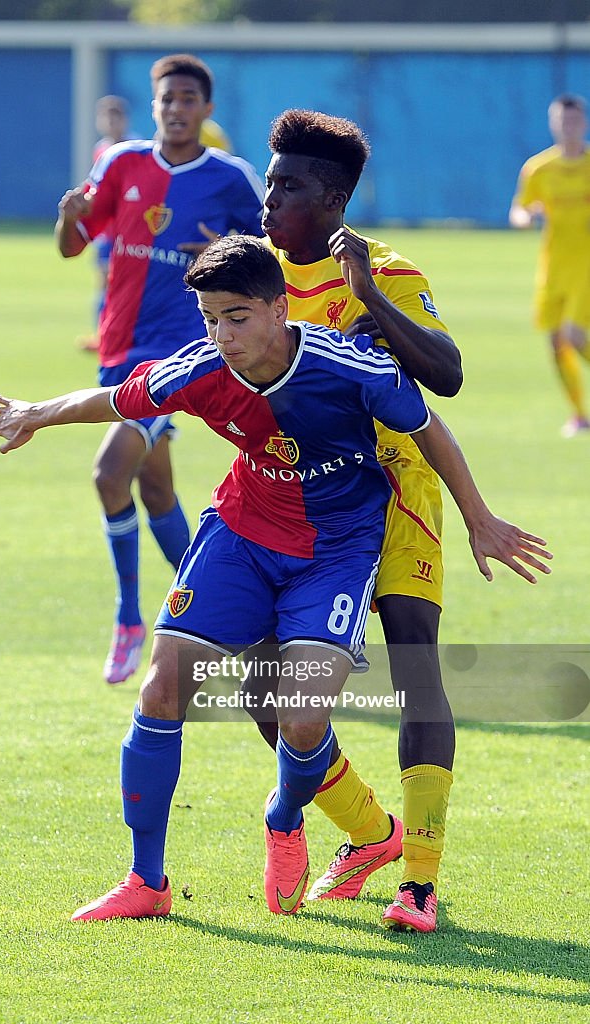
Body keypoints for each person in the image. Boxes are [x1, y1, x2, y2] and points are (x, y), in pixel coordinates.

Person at [0, 237, 550, 925]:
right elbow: (117, 398)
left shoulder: (346, 365)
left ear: (279, 309)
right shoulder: (199, 368)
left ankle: (283, 814)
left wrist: (477, 517)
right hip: (241, 533)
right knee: (163, 686)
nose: (221, 335)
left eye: (237, 317)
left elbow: (428, 427)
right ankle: (145, 880)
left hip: (336, 548)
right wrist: (35, 413)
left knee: (301, 717)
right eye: (209, 318)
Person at [249, 109, 550, 932]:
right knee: (254, 681)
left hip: (393, 488)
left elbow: (445, 374)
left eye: (289, 187)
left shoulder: (388, 270)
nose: (269, 199)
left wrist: (368, 298)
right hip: (292, 496)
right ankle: (366, 831)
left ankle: (417, 880)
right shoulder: (258, 276)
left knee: (415, 667)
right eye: (268, 182)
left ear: (336, 197)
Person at [54, 54, 264, 685]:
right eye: (166, 99)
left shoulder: (230, 178)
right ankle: (222, 616)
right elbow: (73, 247)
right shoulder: (120, 164)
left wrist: (224, 255)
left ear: (207, 109)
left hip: (182, 355)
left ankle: (128, 618)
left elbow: (273, 260)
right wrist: (69, 216)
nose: (176, 110)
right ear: (155, 107)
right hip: (118, 347)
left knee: (108, 472)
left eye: (187, 100)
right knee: (155, 490)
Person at [510, 93, 590, 438]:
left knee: (575, 335)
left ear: (583, 123)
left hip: (586, 265)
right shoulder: (539, 168)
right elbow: (519, 208)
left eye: (573, 121)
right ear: (553, 125)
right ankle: (579, 415)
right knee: (556, 344)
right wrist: (525, 216)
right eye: (561, 122)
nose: (568, 128)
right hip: (554, 265)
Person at [77, 95, 135, 354]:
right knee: (103, 282)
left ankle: (118, 332)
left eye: (116, 116)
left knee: (124, 282)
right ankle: (102, 334)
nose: (111, 122)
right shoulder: (101, 149)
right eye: (106, 117)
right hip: (107, 231)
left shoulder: (137, 148)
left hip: (129, 230)